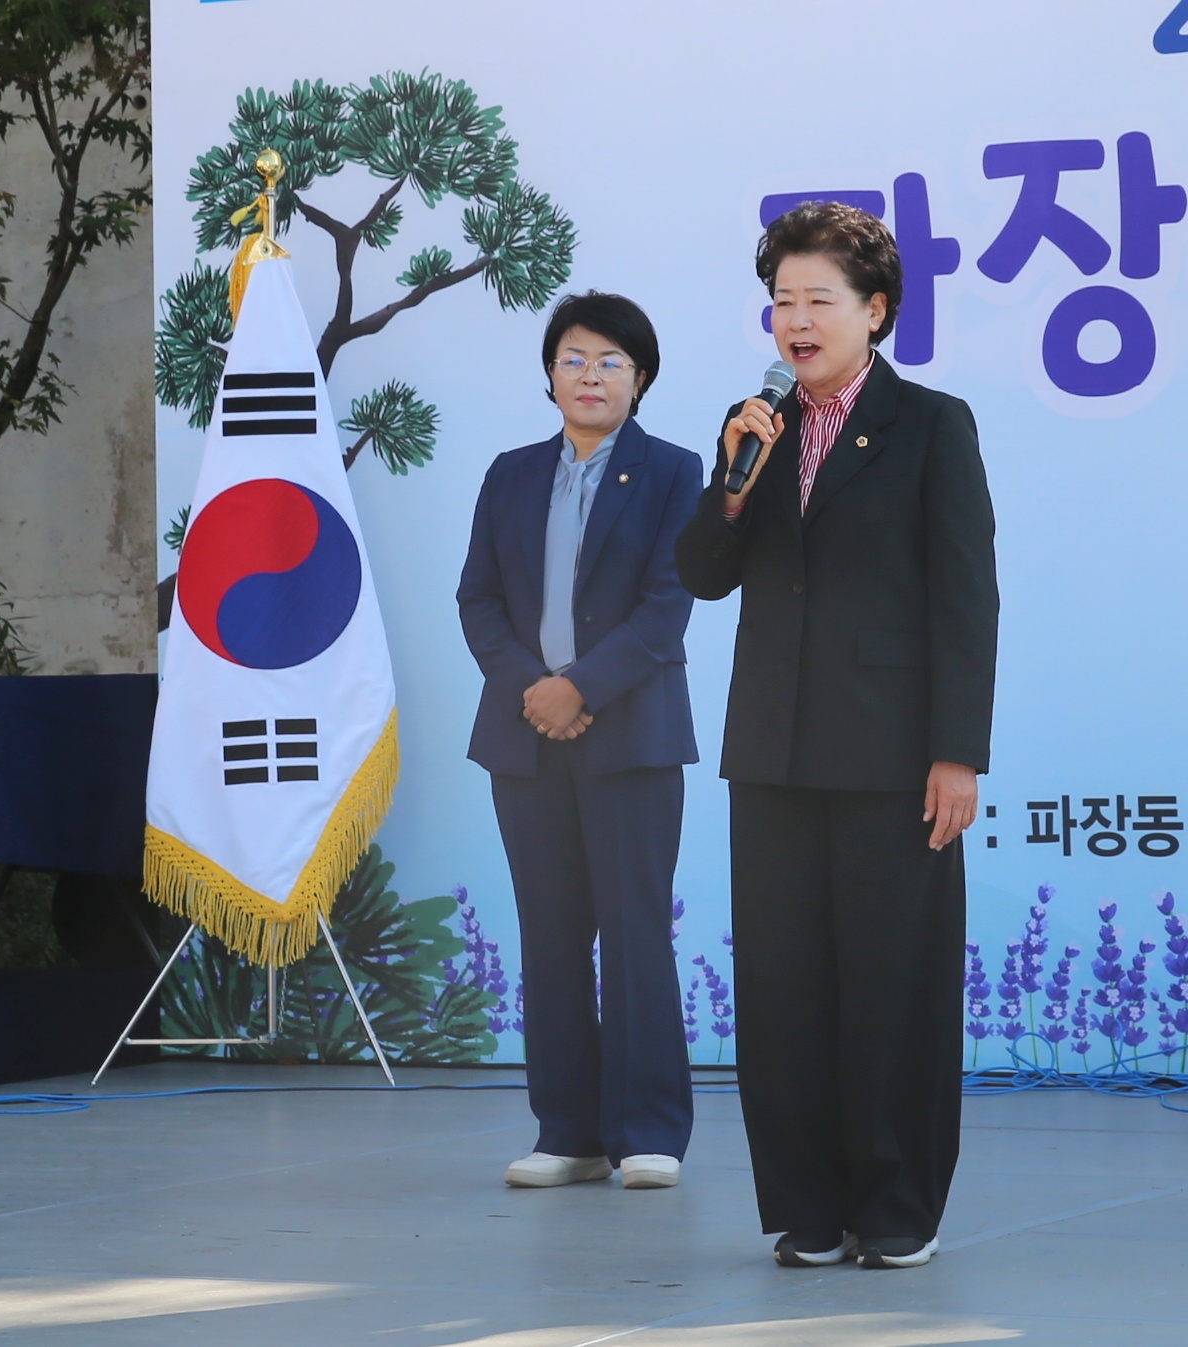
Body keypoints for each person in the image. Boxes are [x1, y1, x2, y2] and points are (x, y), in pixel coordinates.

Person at [676, 202, 998, 1269]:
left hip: (891, 758)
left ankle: (898, 1206)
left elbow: (966, 598)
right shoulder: (754, 427)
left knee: (891, 987)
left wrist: (959, 752)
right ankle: (805, 1210)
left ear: (877, 310)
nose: (795, 321)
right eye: (781, 302)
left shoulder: (932, 425)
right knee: (783, 988)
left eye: (819, 300)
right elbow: (702, 575)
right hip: (770, 752)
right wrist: (730, 485)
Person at [457, 291, 702, 1189]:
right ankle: (567, 1130)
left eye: (610, 361)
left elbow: (670, 603)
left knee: (636, 931)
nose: (589, 375)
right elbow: (476, 599)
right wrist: (535, 689)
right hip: (526, 738)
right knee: (550, 932)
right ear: (550, 373)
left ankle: (648, 1131)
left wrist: (580, 688)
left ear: (641, 380)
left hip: (630, 734)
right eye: (573, 358)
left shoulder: (675, 472)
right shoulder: (511, 473)